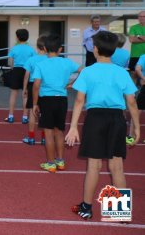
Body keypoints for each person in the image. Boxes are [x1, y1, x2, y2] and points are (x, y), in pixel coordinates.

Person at [65, 31, 139, 220]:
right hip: (117, 119)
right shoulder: (122, 72)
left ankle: (87, 208)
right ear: (114, 51)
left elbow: (79, 100)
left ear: (95, 49)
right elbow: (131, 102)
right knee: (117, 167)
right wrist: (137, 128)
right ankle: (120, 213)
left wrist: (73, 127)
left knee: (93, 166)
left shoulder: (88, 71)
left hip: (95, 118)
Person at [32, 34, 81, 173]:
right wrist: (73, 83)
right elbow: (83, 70)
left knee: (48, 133)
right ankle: (60, 161)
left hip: (46, 100)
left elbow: (36, 85)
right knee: (59, 131)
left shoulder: (40, 64)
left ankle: (50, 163)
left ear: (45, 48)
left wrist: (35, 104)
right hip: (62, 100)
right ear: (60, 49)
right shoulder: (67, 62)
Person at [5, 29, 36, 124]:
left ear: (17, 37)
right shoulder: (31, 49)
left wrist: (12, 68)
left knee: (13, 94)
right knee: (25, 94)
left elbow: (10, 62)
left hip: (16, 70)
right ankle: (25, 117)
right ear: (27, 37)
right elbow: (33, 62)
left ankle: (10, 116)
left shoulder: (14, 48)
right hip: (27, 71)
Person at [22, 35, 47, 145]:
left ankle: (31, 137)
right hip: (45, 85)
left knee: (32, 112)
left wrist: (25, 88)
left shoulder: (31, 59)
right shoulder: (49, 59)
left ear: (37, 47)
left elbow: (26, 75)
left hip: (33, 85)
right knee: (44, 112)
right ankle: (44, 138)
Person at [128, 11, 145, 76]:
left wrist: (139, 36)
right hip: (135, 55)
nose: (142, 18)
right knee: (133, 74)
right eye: (140, 16)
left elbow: (134, 39)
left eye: (144, 16)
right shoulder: (133, 27)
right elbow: (131, 39)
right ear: (138, 18)